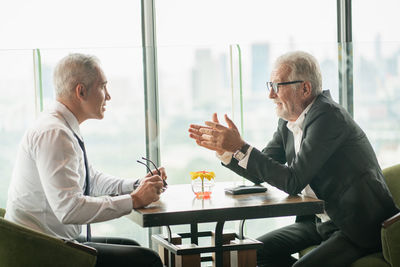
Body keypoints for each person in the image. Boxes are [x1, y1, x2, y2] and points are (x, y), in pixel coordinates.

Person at [188, 51, 399, 267]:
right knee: (251, 252)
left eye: (277, 86)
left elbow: (293, 181)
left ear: (305, 88)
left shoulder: (328, 116)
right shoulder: (288, 123)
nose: (271, 94)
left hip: (356, 226)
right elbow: (259, 172)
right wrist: (228, 151)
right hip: (320, 222)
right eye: (269, 85)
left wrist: (240, 147)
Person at [5, 53, 165, 267]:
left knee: (133, 247)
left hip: (49, 240)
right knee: (148, 260)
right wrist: (134, 200)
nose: (108, 96)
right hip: (41, 250)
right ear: (81, 91)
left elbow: (91, 180)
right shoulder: (55, 133)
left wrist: (137, 186)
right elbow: (69, 209)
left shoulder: (61, 126)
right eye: (103, 87)